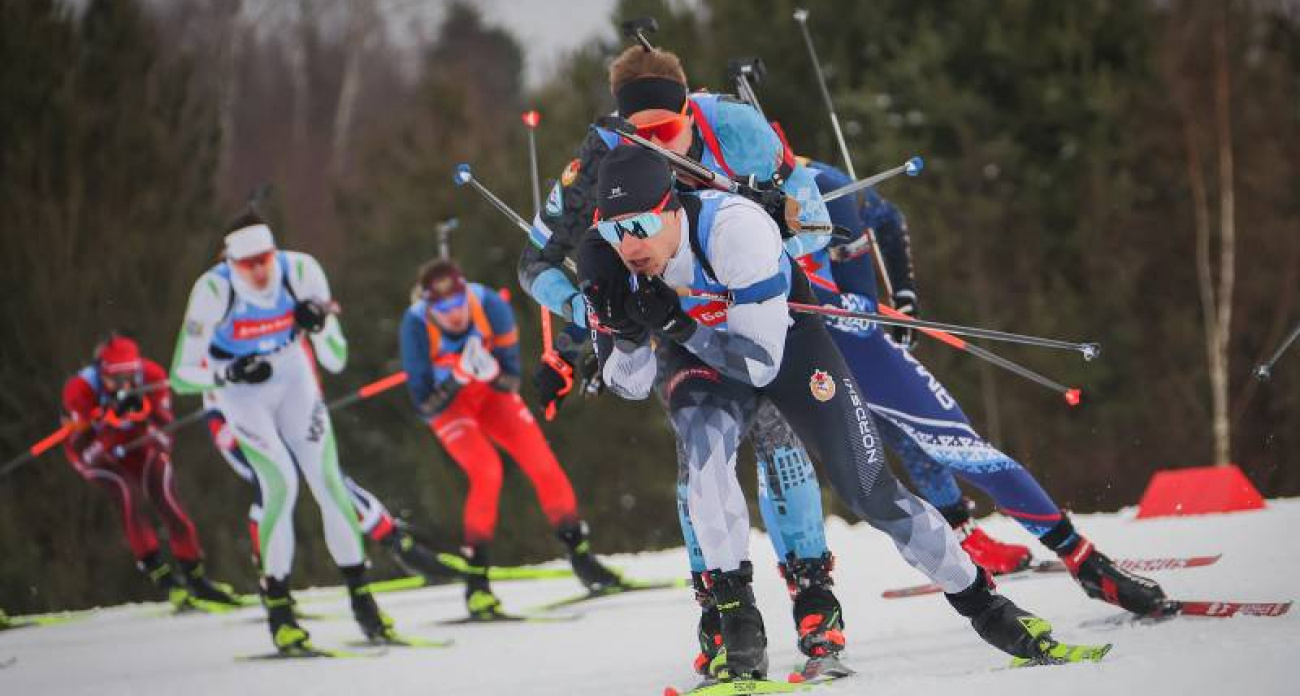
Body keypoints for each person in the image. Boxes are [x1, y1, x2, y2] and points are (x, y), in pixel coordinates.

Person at [580, 146, 1102, 681]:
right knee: (705, 461)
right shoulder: (606, 261)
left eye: (642, 224)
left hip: (783, 347)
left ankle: (988, 608)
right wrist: (623, 332)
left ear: (673, 206)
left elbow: (760, 367)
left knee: (870, 490)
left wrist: (682, 325)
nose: (631, 244)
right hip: (699, 359)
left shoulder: (734, 231)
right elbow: (631, 385)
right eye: (616, 229)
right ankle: (739, 628)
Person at [518, 45, 847, 675]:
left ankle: (813, 596)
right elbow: (534, 265)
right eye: (639, 137)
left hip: (753, 299)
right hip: (669, 318)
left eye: (668, 134)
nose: (656, 148)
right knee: (700, 453)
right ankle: (721, 609)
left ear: (690, 113)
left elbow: (819, 225)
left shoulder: (736, 128)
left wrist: (780, 222)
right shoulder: (597, 159)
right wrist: (594, 320)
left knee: (779, 439)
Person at [799, 160, 1166, 613]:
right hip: (798, 357)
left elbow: (885, 220)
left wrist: (905, 298)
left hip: (853, 342)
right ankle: (780, 602)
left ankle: (1080, 561)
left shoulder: (823, 182)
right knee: (833, 466)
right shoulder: (723, 191)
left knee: (948, 443)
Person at [170, 214, 397, 653]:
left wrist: (321, 324)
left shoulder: (302, 271)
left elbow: (335, 360)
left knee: (328, 482)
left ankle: (363, 601)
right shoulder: (214, 290)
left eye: (264, 259)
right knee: (280, 485)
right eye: (247, 263)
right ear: (230, 261)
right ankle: (279, 611)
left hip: (292, 378)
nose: (258, 270)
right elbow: (180, 375)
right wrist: (228, 372)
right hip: (238, 393)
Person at [398, 258, 621, 620]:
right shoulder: (415, 325)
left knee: (541, 462)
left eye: (457, 305)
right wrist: (457, 376)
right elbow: (423, 406)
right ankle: (477, 582)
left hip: (491, 397)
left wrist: (491, 372)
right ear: (427, 305)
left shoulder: (490, 306)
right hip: (451, 409)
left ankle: (580, 555)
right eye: (442, 309)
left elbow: (512, 381)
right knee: (486, 471)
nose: (453, 315)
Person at [203, 391, 459, 585]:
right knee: (271, 488)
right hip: (234, 418)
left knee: (328, 476)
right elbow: (193, 375)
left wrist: (309, 400)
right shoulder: (216, 324)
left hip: (285, 407)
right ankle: (271, 582)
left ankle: (400, 545)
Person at [62, 334, 239, 609]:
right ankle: (163, 577)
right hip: (101, 458)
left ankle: (195, 577)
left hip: (140, 448)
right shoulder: (80, 389)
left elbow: (166, 437)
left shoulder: (153, 376)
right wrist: (109, 422)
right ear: (101, 372)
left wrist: (141, 416)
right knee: (128, 494)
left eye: (130, 375)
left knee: (168, 498)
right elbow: (86, 452)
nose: (125, 385)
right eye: (115, 378)